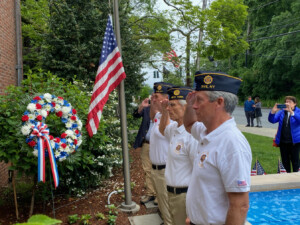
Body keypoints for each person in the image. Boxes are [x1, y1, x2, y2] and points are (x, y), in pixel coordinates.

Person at [183, 71, 252, 225]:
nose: (194, 106)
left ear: (219, 102)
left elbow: (240, 205)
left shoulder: (231, 143)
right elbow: (188, 125)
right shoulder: (206, 132)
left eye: (199, 100)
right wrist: (194, 218)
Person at [158, 86, 196, 225]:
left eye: (172, 105)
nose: (168, 108)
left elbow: (198, 172)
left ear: (185, 108)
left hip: (184, 197)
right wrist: (164, 111)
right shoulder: (175, 128)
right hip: (173, 195)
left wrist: (192, 210)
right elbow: (163, 130)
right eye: (168, 105)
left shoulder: (192, 135)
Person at [149, 82, 173, 225]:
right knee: (162, 204)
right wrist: (153, 103)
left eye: (156, 96)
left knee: (167, 204)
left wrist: (165, 109)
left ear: (165, 98)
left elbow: (165, 130)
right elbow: (153, 116)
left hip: (165, 169)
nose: (154, 98)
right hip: (155, 169)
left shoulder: (170, 117)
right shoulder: (159, 116)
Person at [132, 98, 157, 204]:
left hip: (159, 146)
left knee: (159, 171)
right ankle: (151, 193)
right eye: (154, 96)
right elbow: (135, 115)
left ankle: (159, 196)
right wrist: (142, 106)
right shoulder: (148, 109)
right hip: (147, 144)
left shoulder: (167, 111)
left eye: (157, 96)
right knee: (147, 169)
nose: (155, 99)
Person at [268, 96, 300, 172]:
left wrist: (291, 112)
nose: (287, 103)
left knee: (295, 162)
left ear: (295, 104)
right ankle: (286, 179)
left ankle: (296, 179)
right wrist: (273, 111)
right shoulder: (282, 112)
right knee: (285, 162)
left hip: (294, 142)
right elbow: (272, 120)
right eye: (286, 102)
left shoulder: (298, 112)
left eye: (289, 102)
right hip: (283, 141)